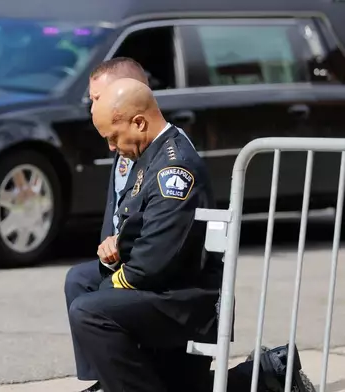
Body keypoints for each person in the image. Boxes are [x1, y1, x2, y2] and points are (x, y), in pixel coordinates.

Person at [65, 77, 314, 392]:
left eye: (114, 137)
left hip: (188, 301)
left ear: (139, 123)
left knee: (89, 310)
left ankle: (270, 373)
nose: (112, 147)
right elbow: (138, 230)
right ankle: (111, 381)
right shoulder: (147, 156)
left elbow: (150, 265)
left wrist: (107, 286)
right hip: (167, 289)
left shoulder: (175, 170)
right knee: (79, 280)